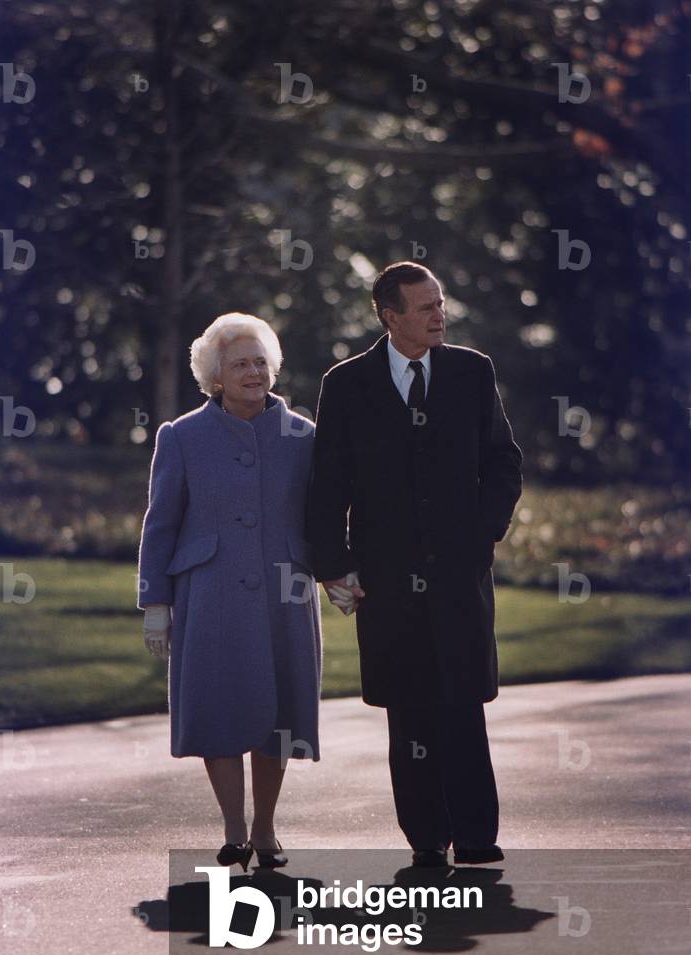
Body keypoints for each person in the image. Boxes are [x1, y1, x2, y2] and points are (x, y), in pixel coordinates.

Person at [307, 261, 522, 867]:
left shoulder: (472, 372)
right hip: (386, 579)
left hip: (459, 575)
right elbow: (328, 484)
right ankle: (426, 838)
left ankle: (476, 835)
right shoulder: (346, 383)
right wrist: (333, 566)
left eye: (440, 303)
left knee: (462, 702)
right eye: (425, 307)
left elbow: (503, 463)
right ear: (390, 316)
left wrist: (482, 536)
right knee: (408, 710)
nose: (439, 315)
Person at [137, 312, 320, 871]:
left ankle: (265, 828)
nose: (253, 372)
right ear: (215, 375)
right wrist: (155, 603)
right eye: (240, 364)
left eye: (261, 362)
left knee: (279, 714)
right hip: (209, 594)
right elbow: (161, 523)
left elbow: (322, 515)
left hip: (284, 595)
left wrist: (340, 572)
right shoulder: (182, 436)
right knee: (218, 708)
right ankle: (234, 828)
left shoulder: (303, 435)